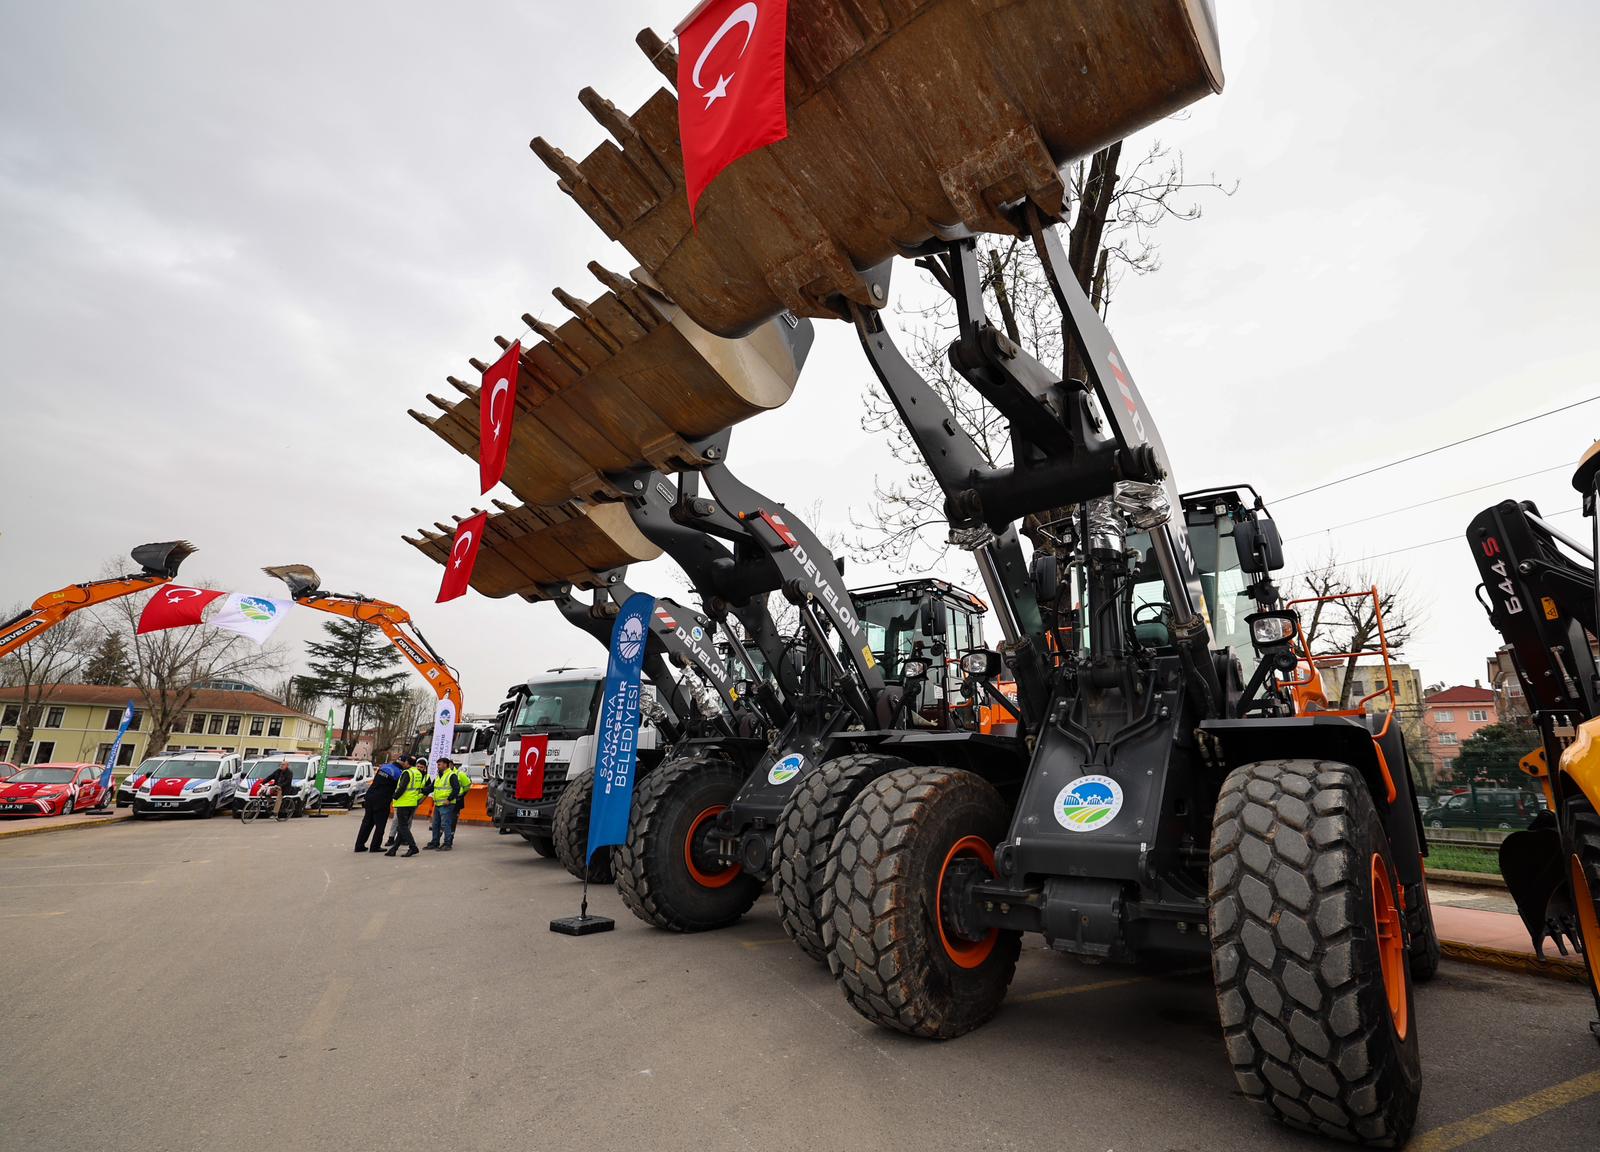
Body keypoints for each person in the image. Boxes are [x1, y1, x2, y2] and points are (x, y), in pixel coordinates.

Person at [423, 757, 470, 851]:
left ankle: (447, 843)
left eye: (439, 764)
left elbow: (456, 789)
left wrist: (449, 799)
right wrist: (421, 790)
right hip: (438, 804)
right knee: (436, 824)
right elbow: (432, 787)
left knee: (445, 824)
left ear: (445, 765)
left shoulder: (451, 775)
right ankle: (435, 842)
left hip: (447, 804)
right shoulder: (439, 776)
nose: (437, 766)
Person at [355, 760, 401, 852]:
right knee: (380, 825)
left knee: (366, 823)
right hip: (382, 800)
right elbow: (398, 787)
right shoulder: (398, 773)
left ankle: (359, 845)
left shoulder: (383, 767)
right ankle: (375, 846)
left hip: (370, 797)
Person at [385, 757, 425, 857]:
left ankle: (413, 847)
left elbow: (402, 787)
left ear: (408, 763)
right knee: (402, 827)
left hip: (404, 802)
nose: (403, 763)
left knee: (402, 826)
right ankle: (394, 849)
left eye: (405, 762)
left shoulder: (407, 773)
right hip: (412, 802)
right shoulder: (418, 773)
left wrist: (394, 796)